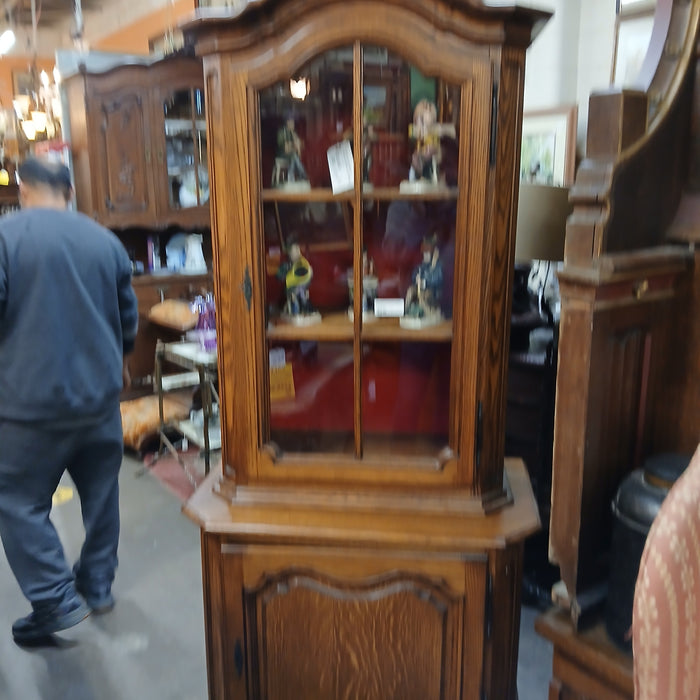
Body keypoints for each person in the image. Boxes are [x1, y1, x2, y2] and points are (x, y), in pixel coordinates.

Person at [0, 156, 138, 644]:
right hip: (99, 400)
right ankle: (97, 585)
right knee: (102, 496)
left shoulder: (6, 236)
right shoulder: (105, 241)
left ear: (23, 190)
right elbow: (127, 315)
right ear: (68, 191)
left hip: (31, 405)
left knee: (15, 500)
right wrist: (119, 358)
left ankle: (56, 600)